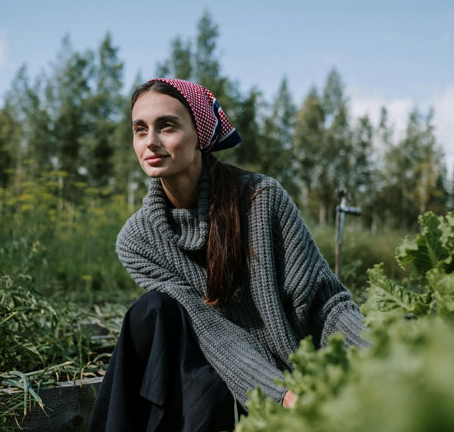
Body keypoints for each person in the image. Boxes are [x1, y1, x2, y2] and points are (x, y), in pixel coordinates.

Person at [89, 79, 368, 432]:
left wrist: (381, 359)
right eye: (140, 130)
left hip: (302, 365)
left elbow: (326, 303)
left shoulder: (261, 199)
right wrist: (281, 395)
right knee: (152, 311)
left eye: (167, 126)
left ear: (200, 135)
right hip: (222, 377)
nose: (151, 142)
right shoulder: (138, 240)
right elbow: (213, 332)